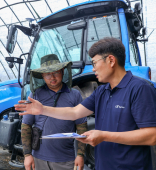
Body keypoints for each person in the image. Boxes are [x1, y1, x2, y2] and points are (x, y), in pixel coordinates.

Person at [16, 37, 156, 170]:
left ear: (111, 60)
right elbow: (75, 112)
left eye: (94, 63)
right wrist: (42, 109)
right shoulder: (102, 91)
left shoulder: (139, 89)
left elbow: (152, 136)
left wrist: (104, 136)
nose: (93, 68)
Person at [21, 54, 87, 170]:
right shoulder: (35, 95)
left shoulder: (74, 95)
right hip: (39, 159)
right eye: (47, 74)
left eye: (56, 72)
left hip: (66, 160)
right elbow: (26, 126)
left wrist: (80, 155)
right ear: (42, 76)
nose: (52, 77)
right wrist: (27, 155)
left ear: (62, 71)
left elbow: (81, 126)